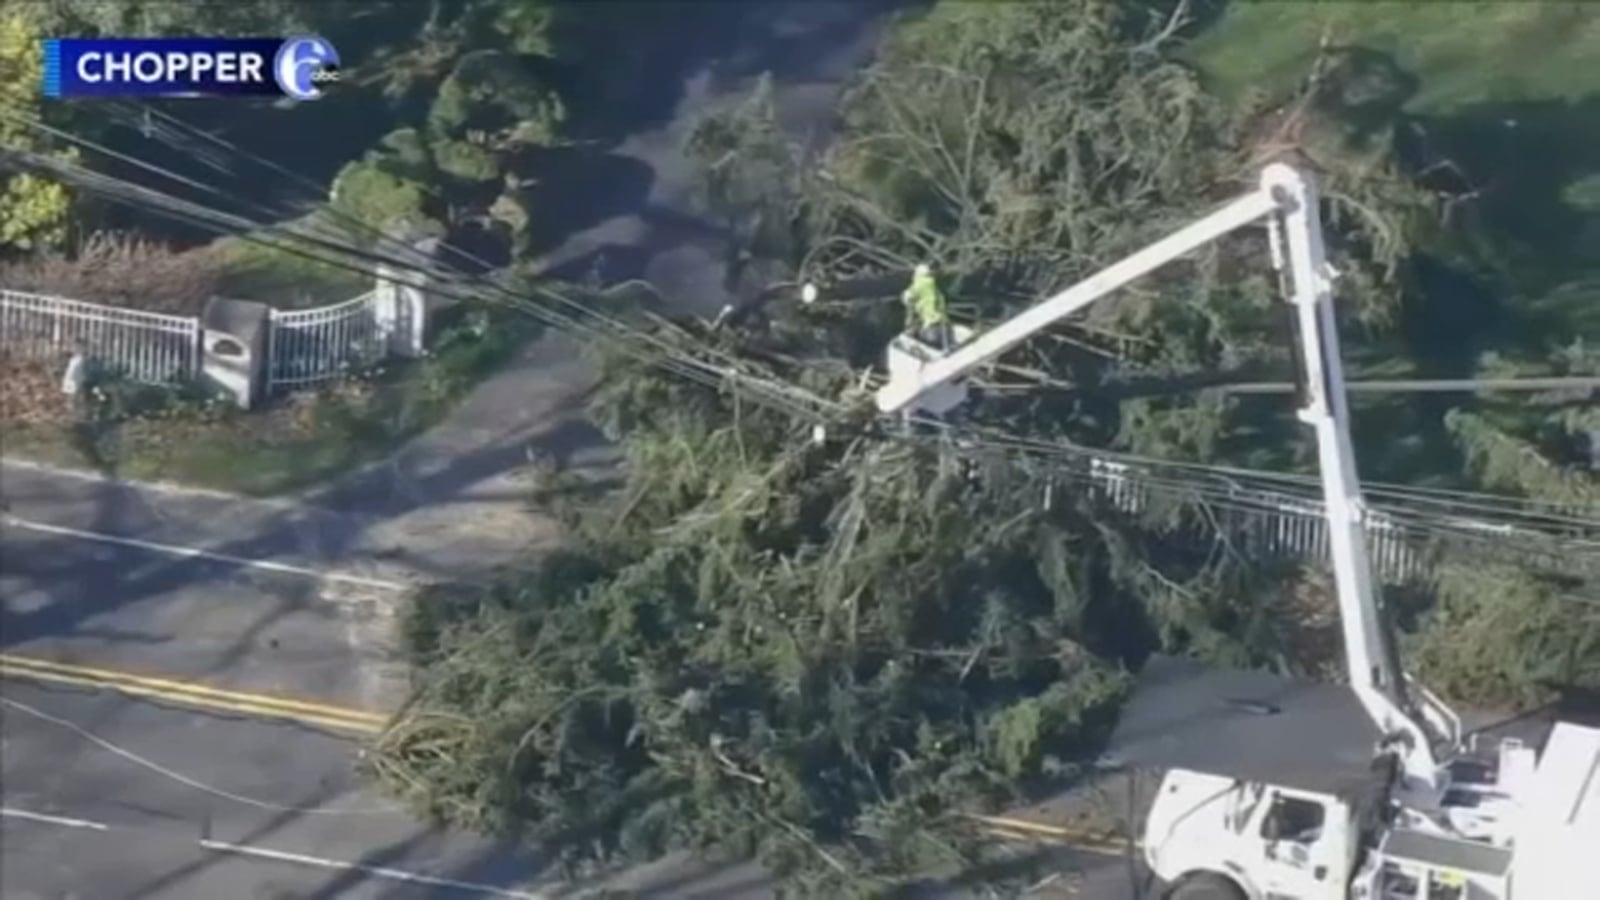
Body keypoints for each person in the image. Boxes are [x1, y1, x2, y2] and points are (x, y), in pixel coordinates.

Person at [901, 263, 951, 352]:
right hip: (946, 328)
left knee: (914, 336)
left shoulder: (919, 284)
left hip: (931, 329)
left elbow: (908, 297)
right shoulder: (935, 286)